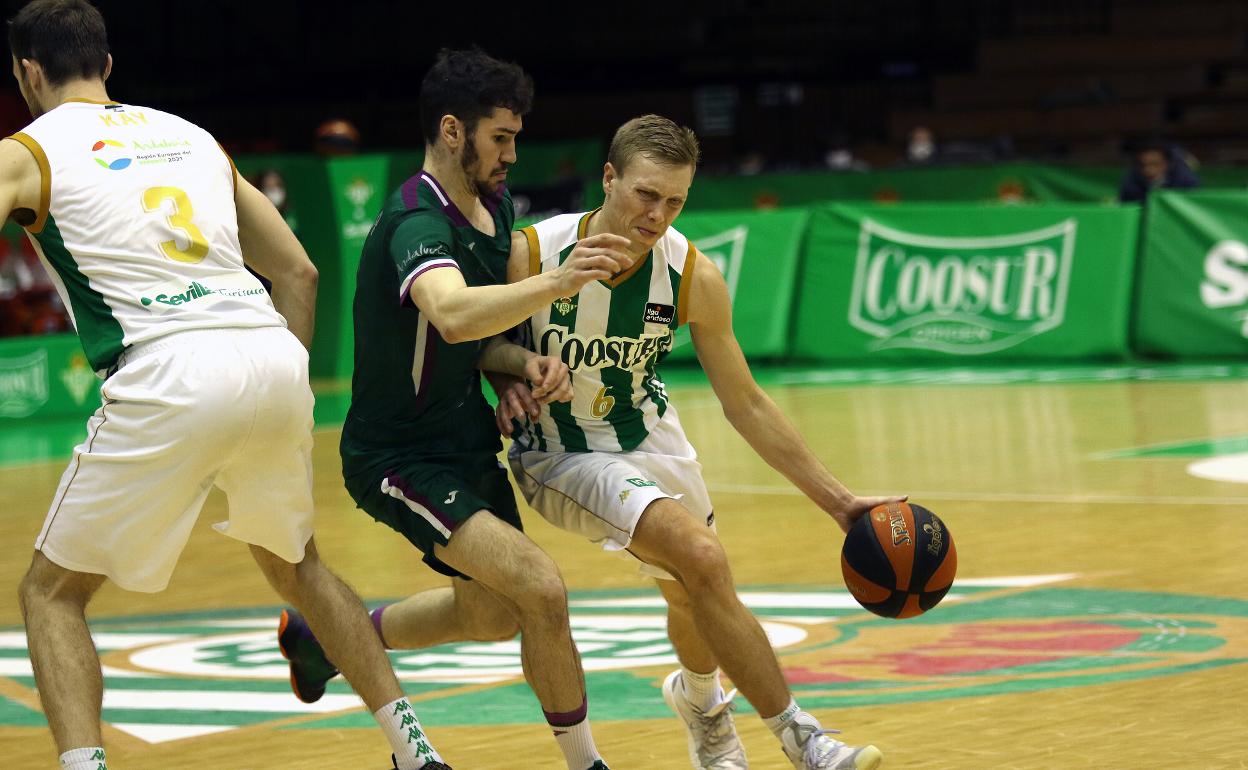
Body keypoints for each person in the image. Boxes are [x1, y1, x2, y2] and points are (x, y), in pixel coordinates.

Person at [4, 3, 449, 769]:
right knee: (298, 565)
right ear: (108, 66)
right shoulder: (192, 137)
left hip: (168, 368)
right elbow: (299, 270)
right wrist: (286, 392)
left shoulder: (25, 151)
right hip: (268, 356)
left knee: (51, 595)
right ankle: (417, 754)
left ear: (28, 73)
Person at [501, 115, 899, 770]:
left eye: (675, 201)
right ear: (608, 178)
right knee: (703, 558)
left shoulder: (692, 276)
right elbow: (480, 341)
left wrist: (838, 502)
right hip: (560, 452)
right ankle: (805, 743)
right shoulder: (532, 252)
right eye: (646, 195)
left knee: (690, 592)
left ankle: (699, 702)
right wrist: (510, 375)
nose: (659, 215)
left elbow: (745, 402)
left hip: (649, 435)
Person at [277, 48, 633, 770]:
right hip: (396, 455)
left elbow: (482, 340)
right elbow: (448, 313)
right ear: (451, 131)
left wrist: (521, 365)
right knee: (541, 589)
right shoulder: (416, 220)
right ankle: (587, 763)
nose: (511, 154)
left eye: (515, 137)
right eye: (500, 137)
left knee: (494, 613)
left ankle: (327, 640)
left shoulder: (497, 208)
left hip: (465, 440)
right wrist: (558, 282)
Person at [1118, 138, 1200, 203]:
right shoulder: (1131, 182)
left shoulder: (1185, 181)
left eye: (1156, 164)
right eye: (1143, 165)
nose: (1149, 170)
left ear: (1168, 163)